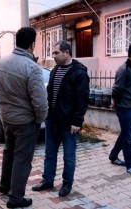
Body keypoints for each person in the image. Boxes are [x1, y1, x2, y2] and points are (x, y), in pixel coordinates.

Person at [0, 27, 48, 209]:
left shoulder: (2, 62)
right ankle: (16, 198)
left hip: (7, 118)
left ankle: (5, 186)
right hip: (25, 121)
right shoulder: (31, 67)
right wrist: (40, 119)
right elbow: (40, 102)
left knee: (9, 152)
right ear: (32, 44)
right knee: (22, 159)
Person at [32, 40, 89, 197]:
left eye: (56, 53)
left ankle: (67, 184)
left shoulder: (79, 72)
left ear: (67, 52)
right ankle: (47, 180)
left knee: (69, 156)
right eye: (53, 53)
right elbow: (50, 94)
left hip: (69, 124)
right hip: (53, 121)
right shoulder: (55, 70)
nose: (54, 56)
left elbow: (82, 100)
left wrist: (77, 122)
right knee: (50, 153)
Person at [109, 43, 131, 177]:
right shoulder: (123, 70)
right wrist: (116, 104)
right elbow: (116, 90)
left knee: (125, 134)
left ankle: (113, 156)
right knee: (128, 137)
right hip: (125, 108)